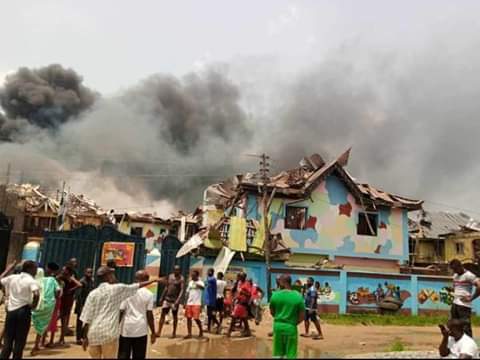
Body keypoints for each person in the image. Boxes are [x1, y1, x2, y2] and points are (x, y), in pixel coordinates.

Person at [80, 266, 164, 359]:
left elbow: (86, 318)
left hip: (95, 334)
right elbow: (136, 287)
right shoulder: (117, 289)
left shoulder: (92, 294)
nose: (114, 276)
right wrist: (154, 281)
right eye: (112, 274)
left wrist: (84, 337)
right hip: (110, 333)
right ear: (108, 276)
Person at [0, 260, 40, 359]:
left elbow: (0, 279)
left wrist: (8, 269)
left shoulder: (13, 277)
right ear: (29, 269)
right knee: (19, 342)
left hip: (11, 312)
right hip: (24, 311)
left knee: (8, 340)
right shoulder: (31, 280)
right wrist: (34, 305)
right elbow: (36, 293)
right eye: (35, 269)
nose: (36, 271)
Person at [118, 270, 157, 360]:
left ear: (136, 279)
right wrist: (153, 333)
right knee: (139, 355)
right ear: (146, 280)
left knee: (123, 355)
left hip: (126, 329)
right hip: (141, 330)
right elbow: (149, 315)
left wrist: (115, 327)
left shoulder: (126, 291)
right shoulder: (149, 294)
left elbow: (121, 311)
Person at [269, 274, 305, 359]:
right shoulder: (298, 296)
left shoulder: (275, 295)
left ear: (282, 283)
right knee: (291, 353)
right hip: (291, 327)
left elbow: (272, 312)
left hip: (278, 326)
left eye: (279, 282)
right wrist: (293, 323)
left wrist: (279, 317)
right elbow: (302, 316)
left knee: (277, 353)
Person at [30, 262, 61, 356]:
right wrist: (54, 298)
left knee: (33, 322)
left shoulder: (38, 279)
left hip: (36, 303)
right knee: (42, 325)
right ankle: (36, 344)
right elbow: (58, 291)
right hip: (48, 304)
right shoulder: (53, 280)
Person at [449, 259, 480, 337]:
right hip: (455, 304)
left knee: (465, 327)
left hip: (464, 306)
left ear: (460, 266)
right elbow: (456, 287)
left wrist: (471, 298)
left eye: (455, 269)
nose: (455, 271)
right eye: (453, 269)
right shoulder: (455, 275)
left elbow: (479, 286)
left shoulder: (469, 275)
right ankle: (456, 345)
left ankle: (469, 346)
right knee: (454, 326)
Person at [157, 265, 185, 339]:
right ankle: (159, 331)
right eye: (175, 270)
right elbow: (166, 287)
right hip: (167, 299)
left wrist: (178, 300)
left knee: (174, 316)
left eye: (178, 270)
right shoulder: (170, 276)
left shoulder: (181, 279)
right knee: (162, 314)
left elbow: (182, 290)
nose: (176, 271)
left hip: (174, 301)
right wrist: (162, 297)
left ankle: (174, 333)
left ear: (180, 271)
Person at [58, 265, 82, 346]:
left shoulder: (70, 278)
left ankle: (62, 338)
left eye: (64, 269)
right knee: (62, 318)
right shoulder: (61, 277)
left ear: (68, 271)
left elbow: (79, 285)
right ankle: (61, 338)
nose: (63, 270)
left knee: (63, 319)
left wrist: (71, 289)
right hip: (62, 299)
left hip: (67, 300)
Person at [227, 272, 252, 338]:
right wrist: (235, 298)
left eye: (241, 276)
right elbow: (237, 292)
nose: (239, 277)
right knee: (243, 317)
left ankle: (229, 332)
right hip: (238, 301)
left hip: (243, 303)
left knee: (234, 316)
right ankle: (248, 331)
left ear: (244, 277)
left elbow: (249, 294)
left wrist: (242, 292)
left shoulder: (247, 284)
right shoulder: (239, 283)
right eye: (239, 276)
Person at [75, 268, 95, 345]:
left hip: (88, 304)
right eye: (88, 272)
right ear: (85, 273)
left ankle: (83, 335)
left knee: (87, 320)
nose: (89, 274)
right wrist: (81, 306)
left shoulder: (91, 281)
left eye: (90, 272)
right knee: (79, 321)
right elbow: (79, 295)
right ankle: (78, 338)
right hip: (81, 304)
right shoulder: (82, 281)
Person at [184, 270, 205, 340]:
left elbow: (203, 288)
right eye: (191, 275)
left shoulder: (200, 282)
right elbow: (187, 292)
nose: (192, 276)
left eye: (193, 275)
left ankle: (201, 330)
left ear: (197, 276)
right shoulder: (190, 283)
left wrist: (197, 284)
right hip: (189, 303)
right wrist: (185, 302)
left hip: (197, 303)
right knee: (188, 318)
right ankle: (189, 333)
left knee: (196, 318)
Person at [205, 268, 219, 333]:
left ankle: (218, 324)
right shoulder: (211, 279)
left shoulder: (212, 279)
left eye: (208, 271)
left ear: (211, 272)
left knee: (211, 314)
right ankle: (209, 328)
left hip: (211, 300)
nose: (207, 272)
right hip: (210, 299)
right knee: (209, 315)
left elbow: (208, 280)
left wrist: (207, 275)